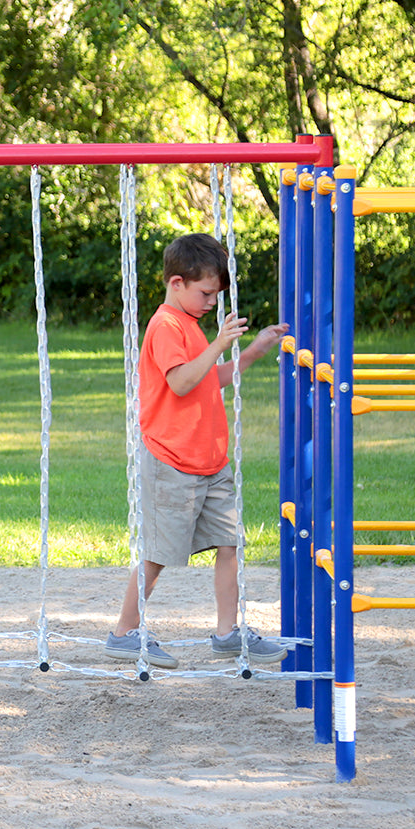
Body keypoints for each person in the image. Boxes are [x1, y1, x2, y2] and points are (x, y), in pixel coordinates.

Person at [105, 231, 288, 669]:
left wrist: (255, 350)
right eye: (206, 292)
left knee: (229, 544)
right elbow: (182, 382)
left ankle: (227, 633)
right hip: (173, 462)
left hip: (210, 461)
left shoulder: (191, 326)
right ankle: (123, 634)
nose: (211, 302)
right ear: (176, 284)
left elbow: (210, 378)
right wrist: (218, 344)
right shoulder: (166, 325)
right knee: (158, 554)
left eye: (216, 294)